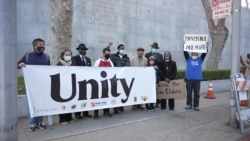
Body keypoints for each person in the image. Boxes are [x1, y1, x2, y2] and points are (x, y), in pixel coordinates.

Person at [18, 38, 49, 132]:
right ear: (34, 46)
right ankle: (32, 123)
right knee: (31, 104)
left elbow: (48, 69)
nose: (42, 47)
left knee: (41, 103)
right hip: (31, 85)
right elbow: (18, 64)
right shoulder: (28, 56)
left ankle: (40, 122)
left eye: (43, 45)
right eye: (40, 45)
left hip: (42, 84)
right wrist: (21, 64)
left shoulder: (46, 57)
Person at [73, 43, 92, 119]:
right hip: (78, 81)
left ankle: (86, 112)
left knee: (86, 97)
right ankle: (77, 113)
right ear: (78, 50)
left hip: (87, 81)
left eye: (84, 50)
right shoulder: (74, 58)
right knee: (78, 97)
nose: (83, 51)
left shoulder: (88, 59)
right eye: (81, 49)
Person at [93, 47, 114, 119]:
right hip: (99, 83)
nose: (108, 53)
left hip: (107, 83)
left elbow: (113, 71)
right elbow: (94, 71)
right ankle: (96, 113)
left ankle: (106, 111)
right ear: (103, 53)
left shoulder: (110, 62)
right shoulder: (98, 61)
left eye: (109, 52)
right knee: (97, 98)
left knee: (107, 97)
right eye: (107, 52)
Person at [111, 43, 131, 114]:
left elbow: (128, 65)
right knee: (116, 92)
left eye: (123, 48)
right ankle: (115, 107)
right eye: (121, 48)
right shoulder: (113, 56)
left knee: (122, 91)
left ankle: (121, 106)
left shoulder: (126, 57)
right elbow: (112, 65)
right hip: (116, 77)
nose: (122, 49)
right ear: (118, 49)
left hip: (123, 77)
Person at [57, 49, 74, 124]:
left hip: (70, 86)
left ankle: (69, 117)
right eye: (66, 55)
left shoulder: (73, 63)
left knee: (69, 102)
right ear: (63, 56)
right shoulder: (59, 64)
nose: (68, 56)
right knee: (63, 103)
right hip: (62, 86)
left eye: (69, 55)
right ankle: (62, 119)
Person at [145, 42, 163, 107]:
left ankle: (157, 102)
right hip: (149, 78)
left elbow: (161, 65)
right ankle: (148, 103)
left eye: (155, 48)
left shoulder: (160, 56)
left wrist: (156, 67)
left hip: (156, 76)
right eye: (153, 48)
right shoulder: (147, 54)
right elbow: (146, 64)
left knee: (156, 91)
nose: (154, 49)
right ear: (151, 48)